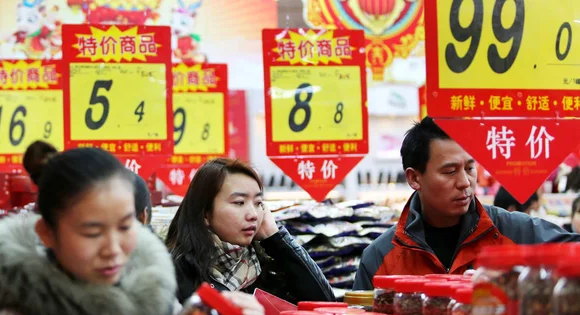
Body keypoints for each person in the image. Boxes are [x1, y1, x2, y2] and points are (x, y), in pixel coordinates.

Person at [0, 141, 278, 315]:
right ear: (46, 233)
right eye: (92, 232)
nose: (114, 247)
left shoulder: (157, 301)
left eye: (125, 227)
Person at [353, 117, 580, 290]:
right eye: (450, 171)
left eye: (470, 169)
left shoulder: (515, 232)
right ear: (414, 178)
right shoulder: (380, 258)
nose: (465, 183)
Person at [165, 158, 335, 304]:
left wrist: (276, 239)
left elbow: (325, 306)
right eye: (239, 202)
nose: (253, 214)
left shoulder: (264, 264)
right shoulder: (176, 272)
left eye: (258, 203)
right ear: (205, 213)